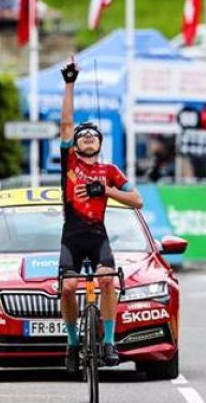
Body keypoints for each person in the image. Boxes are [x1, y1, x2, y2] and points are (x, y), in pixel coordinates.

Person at [58, 56, 143, 373]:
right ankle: (71, 343)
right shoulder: (71, 165)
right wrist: (70, 83)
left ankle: (108, 342)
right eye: (83, 137)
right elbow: (67, 123)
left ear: (100, 143)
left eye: (93, 135)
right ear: (76, 146)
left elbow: (137, 200)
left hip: (98, 237)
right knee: (68, 289)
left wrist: (107, 191)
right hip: (72, 237)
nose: (87, 138)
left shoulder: (110, 170)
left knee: (108, 282)